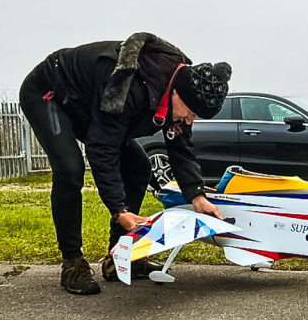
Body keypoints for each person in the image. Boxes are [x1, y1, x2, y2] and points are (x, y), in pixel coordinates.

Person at [19, 33, 232, 294]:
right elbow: (102, 148)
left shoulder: (183, 85)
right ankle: (72, 262)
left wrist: (197, 195)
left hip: (90, 105)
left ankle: (118, 257)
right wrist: (119, 210)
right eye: (190, 112)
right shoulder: (128, 86)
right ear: (176, 93)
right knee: (70, 169)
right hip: (50, 92)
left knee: (139, 167)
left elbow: (180, 146)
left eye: (195, 117)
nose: (189, 120)